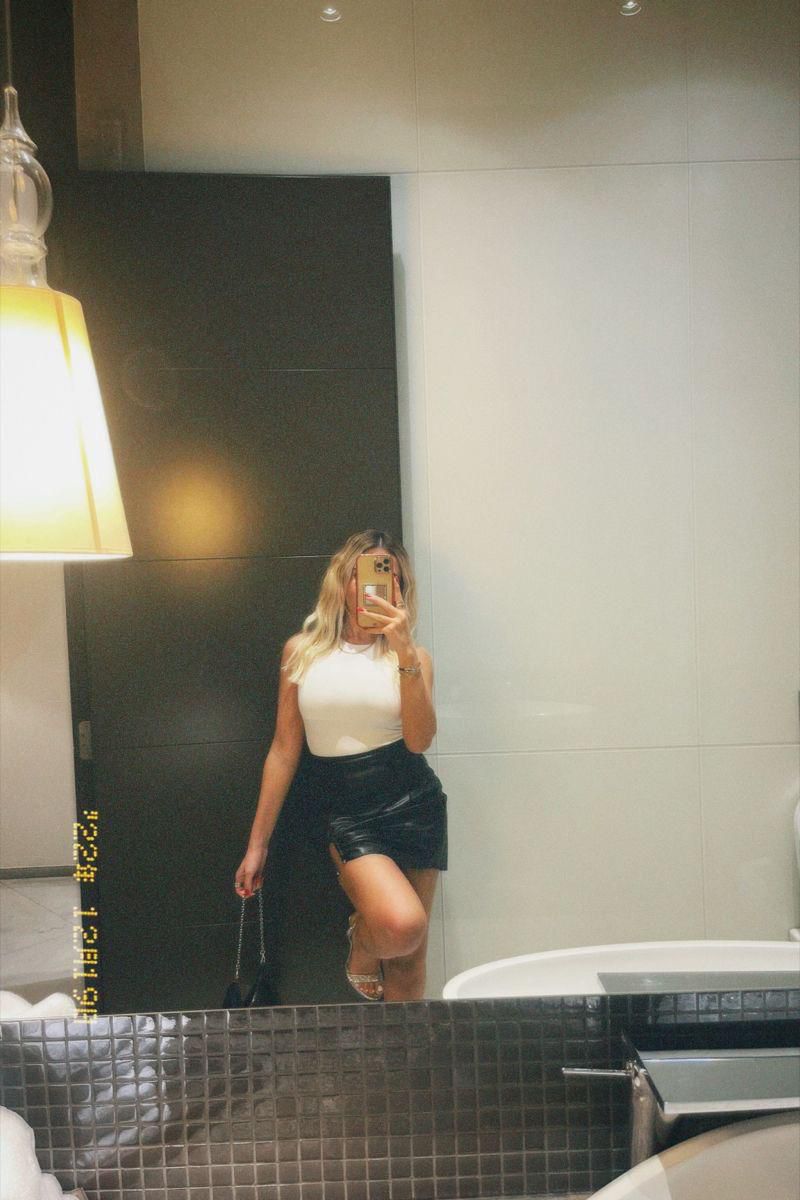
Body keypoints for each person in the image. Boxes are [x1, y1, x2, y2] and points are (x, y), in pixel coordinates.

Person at [234, 529, 447, 1002]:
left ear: (401, 587)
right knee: (400, 926)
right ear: (343, 581)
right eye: (362, 574)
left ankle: (402, 1051)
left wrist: (404, 651)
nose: (374, 586)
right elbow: (284, 749)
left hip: (414, 802)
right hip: (344, 809)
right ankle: (362, 941)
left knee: (410, 959)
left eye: (389, 576)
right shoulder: (302, 651)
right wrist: (257, 845)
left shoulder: (414, 657)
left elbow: (419, 741)